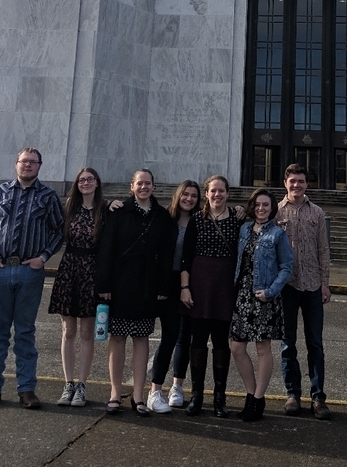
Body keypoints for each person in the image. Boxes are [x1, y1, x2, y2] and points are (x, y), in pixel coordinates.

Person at [0, 147, 64, 409]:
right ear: (16, 164)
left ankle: (26, 390)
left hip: (29, 271)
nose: (27, 165)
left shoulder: (48, 196)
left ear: (40, 166)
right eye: (24, 161)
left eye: (33, 162)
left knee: (25, 332)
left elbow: (60, 231)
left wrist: (43, 256)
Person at [95, 168, 176, 416]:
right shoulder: (119, 212)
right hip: (120, 283)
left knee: (141, 338)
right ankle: (115, 393)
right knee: (118, 337)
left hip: (147, 284)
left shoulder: (161, 215)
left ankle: (139, 395)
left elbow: (166, 254)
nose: (144, 187)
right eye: (139, 183)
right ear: (132, 186)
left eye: (148, 183)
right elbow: (107, 249)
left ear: (154, 187)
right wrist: (104, 285)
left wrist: (163, 286)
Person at [180, 175, 244, 417]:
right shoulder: (197, 219)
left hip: (224, 289)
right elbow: (186, 257)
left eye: (221, 191)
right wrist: (185, 288)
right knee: (197, 342)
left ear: (228, 193)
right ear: (206, 194)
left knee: (220, 343)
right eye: (213, 191)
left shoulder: (237, 219)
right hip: (199, 287)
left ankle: (220, 397)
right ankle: (196, 395)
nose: (217, 195)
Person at [230, 189, 293, 422]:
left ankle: (258, 398)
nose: (261, 208)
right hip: (242, 295)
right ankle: (251, 393)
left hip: (264, 296)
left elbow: (287, 266)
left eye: (265, 205)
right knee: (236, 347)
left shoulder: (278, 234)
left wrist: (271, 292)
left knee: (262, 348)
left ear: (272, 208)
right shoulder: (244, 229)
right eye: (257, 204)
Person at [276, 163, 332, 419]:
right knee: (288, 344)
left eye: (300, 181)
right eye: (292, 181)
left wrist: (325, 282)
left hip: (312, 285)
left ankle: (318, 397)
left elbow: (323, 249)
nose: (296, 185)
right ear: (285, 183)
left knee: (315, 344)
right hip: (286, 286)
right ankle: (293, 394)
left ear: (307, 184)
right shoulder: (276, 211)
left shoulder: (317, 212)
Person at [48, 167, 108, 407]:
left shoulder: (105, 209)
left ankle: (82, 385)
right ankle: (68, 383)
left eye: (90, 179)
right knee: (68, 331)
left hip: (92, 270)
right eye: (82, 180)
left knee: (86, 332)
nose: (86, 183)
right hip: (69, 268)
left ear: (97, 182)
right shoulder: (69, 206)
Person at [146, 179, 201, 413]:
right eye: (185, 194)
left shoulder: (200, 221)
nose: (189, 199)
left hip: (189, 282)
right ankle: (155, 390)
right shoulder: (164, 218)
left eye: (194, 196)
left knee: (184, 337)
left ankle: (177, 387)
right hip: (167, 282)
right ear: (178, 195)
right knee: (169, 336)